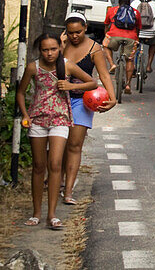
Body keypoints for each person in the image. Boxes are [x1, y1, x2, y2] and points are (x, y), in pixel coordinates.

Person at [15, 33, 95, 230]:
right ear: (39, 51)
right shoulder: (33, 67)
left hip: (60, 119)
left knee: (55, 164)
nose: (50, 54)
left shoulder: (67, 65)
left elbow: (92, 83)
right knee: (38, 166)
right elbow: (21, 92)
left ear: (60, 48)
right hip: (38, 120)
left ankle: (52, 214)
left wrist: (70, 86)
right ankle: (36, 213)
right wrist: (25, 115)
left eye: (53, 49)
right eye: (45, 50)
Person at [61, 12, 116, 204]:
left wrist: (112, 97)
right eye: (70, 33)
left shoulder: (94, 49)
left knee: (75, 145)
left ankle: (68, 190)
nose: (74, 36)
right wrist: (60, 47)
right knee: (59, 145)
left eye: (78, 32)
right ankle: (57, 180)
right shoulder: (61, 45)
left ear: (85, 28)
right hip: (60, 100)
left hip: (80, 100)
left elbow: (104, 75)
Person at [103, 0, 141, 93]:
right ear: (130, 3)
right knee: (129, 60)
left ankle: (112, 64)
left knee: (106, 46)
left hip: (114, 36)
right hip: (131, 38)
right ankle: (128, 85)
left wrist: (106, 34)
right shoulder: (135, 12)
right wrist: (136, 38)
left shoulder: (112, 10)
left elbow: (106, 24)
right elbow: (138, 28)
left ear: (119, 3)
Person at [131, 0, 155, 75]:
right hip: (150, 33)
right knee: (152, 44)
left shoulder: (135, 3)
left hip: (137, 33)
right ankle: (149, 65)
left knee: (133, 45)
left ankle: (133, 65)